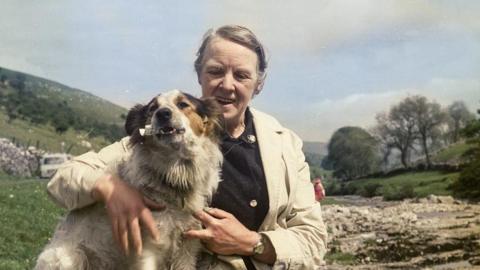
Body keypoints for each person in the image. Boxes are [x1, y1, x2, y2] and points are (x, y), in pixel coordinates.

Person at [47, 25, 327, 269]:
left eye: (241, 75)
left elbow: (312, 240)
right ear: (200, 75)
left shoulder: (285, 145)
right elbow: (63, 179)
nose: (227, 85)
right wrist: (110, 188)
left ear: (258, 84)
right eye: (215, 71)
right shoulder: (158, 139)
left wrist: (251, 243)